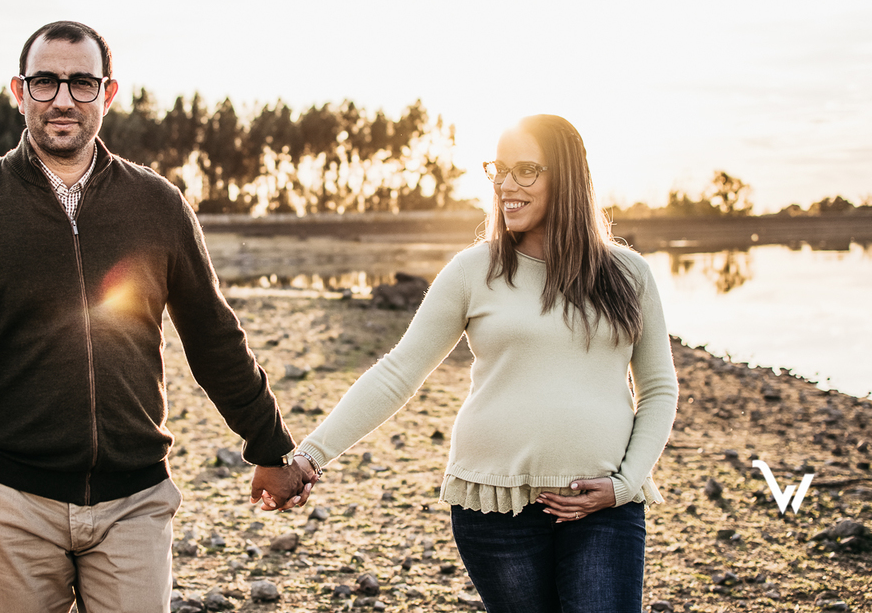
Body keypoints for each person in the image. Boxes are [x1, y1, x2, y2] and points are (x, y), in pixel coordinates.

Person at [0, 21, 307, 612]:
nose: (63, 99)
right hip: (8, 502)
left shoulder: (158, 205)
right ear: (20, 92)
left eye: (81, 82)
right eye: (45, 82)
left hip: (135, 500)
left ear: (108, 93)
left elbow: (214, 337)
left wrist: (271, 448)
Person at [280, 114, 678, 613]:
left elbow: (659, 389)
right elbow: (398, 371)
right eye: (500, 170)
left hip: (603, 505)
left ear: (569, 177)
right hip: (494, 506)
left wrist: (623, 485)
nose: (507, 185)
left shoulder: (628, 274)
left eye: (526, 170)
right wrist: (309, 456)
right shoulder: (473, 271)